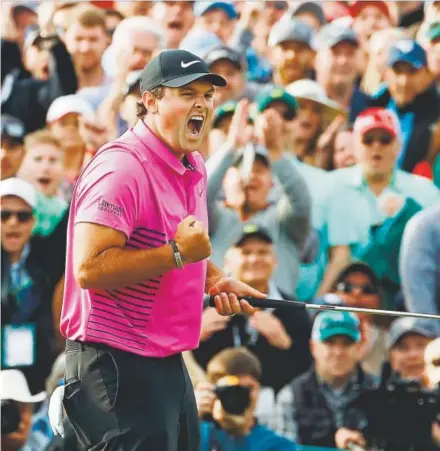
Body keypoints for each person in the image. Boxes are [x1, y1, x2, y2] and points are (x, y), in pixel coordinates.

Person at [57, 49, 266, 451]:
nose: (202, 104)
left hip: (166, 359)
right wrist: (175, 255)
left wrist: (218, 279)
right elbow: (88, 268)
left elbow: (189, 248)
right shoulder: (122, 168)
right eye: (187, 93)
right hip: (112, 362)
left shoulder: (193, 163)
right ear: (150, 101)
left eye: (207, 95)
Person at [195, 347, 297, 450]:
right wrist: (189, 414)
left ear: (258, 389)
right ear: (214, 391)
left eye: (248, 388)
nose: (241, 396)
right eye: (232, 390)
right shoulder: (194, 434)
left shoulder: (277, 445)